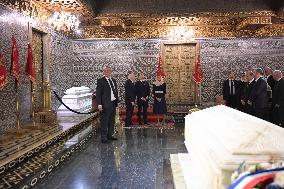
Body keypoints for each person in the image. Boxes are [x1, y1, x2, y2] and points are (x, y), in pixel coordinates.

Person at [96, 66, 119, 143]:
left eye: (108, 70)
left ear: (111, 71)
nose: (106, 72)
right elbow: (98, 93)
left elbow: (115, 92)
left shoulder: (113, 80)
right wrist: (99, 104)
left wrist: (117, 102)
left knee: (111, 121)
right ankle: (103, 138)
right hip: (105, 104)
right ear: (103, 72)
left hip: (113, 103)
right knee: (104, 121)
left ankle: (110, 135)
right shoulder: (100, 81)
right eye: (105, 71)